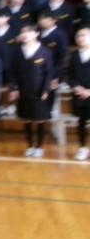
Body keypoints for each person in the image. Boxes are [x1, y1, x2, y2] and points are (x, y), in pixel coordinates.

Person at [9, 25, 52, 158]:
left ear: (36, 34)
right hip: (23, 90)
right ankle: (30, 145)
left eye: (28, 32)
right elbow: (13, 72)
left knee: (39, 119)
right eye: (23, 32)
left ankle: (39, 146)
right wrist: (14, 88)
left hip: (39, 90)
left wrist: (45, 89)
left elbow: (48, 73)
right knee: (26, 119)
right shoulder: (17, 51)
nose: (25, 34)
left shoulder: (45, 51)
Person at [38, 10, 69, 111]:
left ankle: (51, 109)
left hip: (54, 66)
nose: (42, 21)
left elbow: (63, 53)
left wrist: (58, 72)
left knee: (51, 89)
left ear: (53, 20)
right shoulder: (38, 32)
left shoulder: (60, 33)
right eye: (41, 19)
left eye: (45, 19)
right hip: (39, 67)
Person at [68, 26, 90, 161]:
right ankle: (82, 148)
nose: (80, 38)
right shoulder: (74, 55)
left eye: (84, 35)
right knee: (81, 121)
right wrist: (76, 87)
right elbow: (70, 75)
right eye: (78, 36)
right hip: (79, 95)